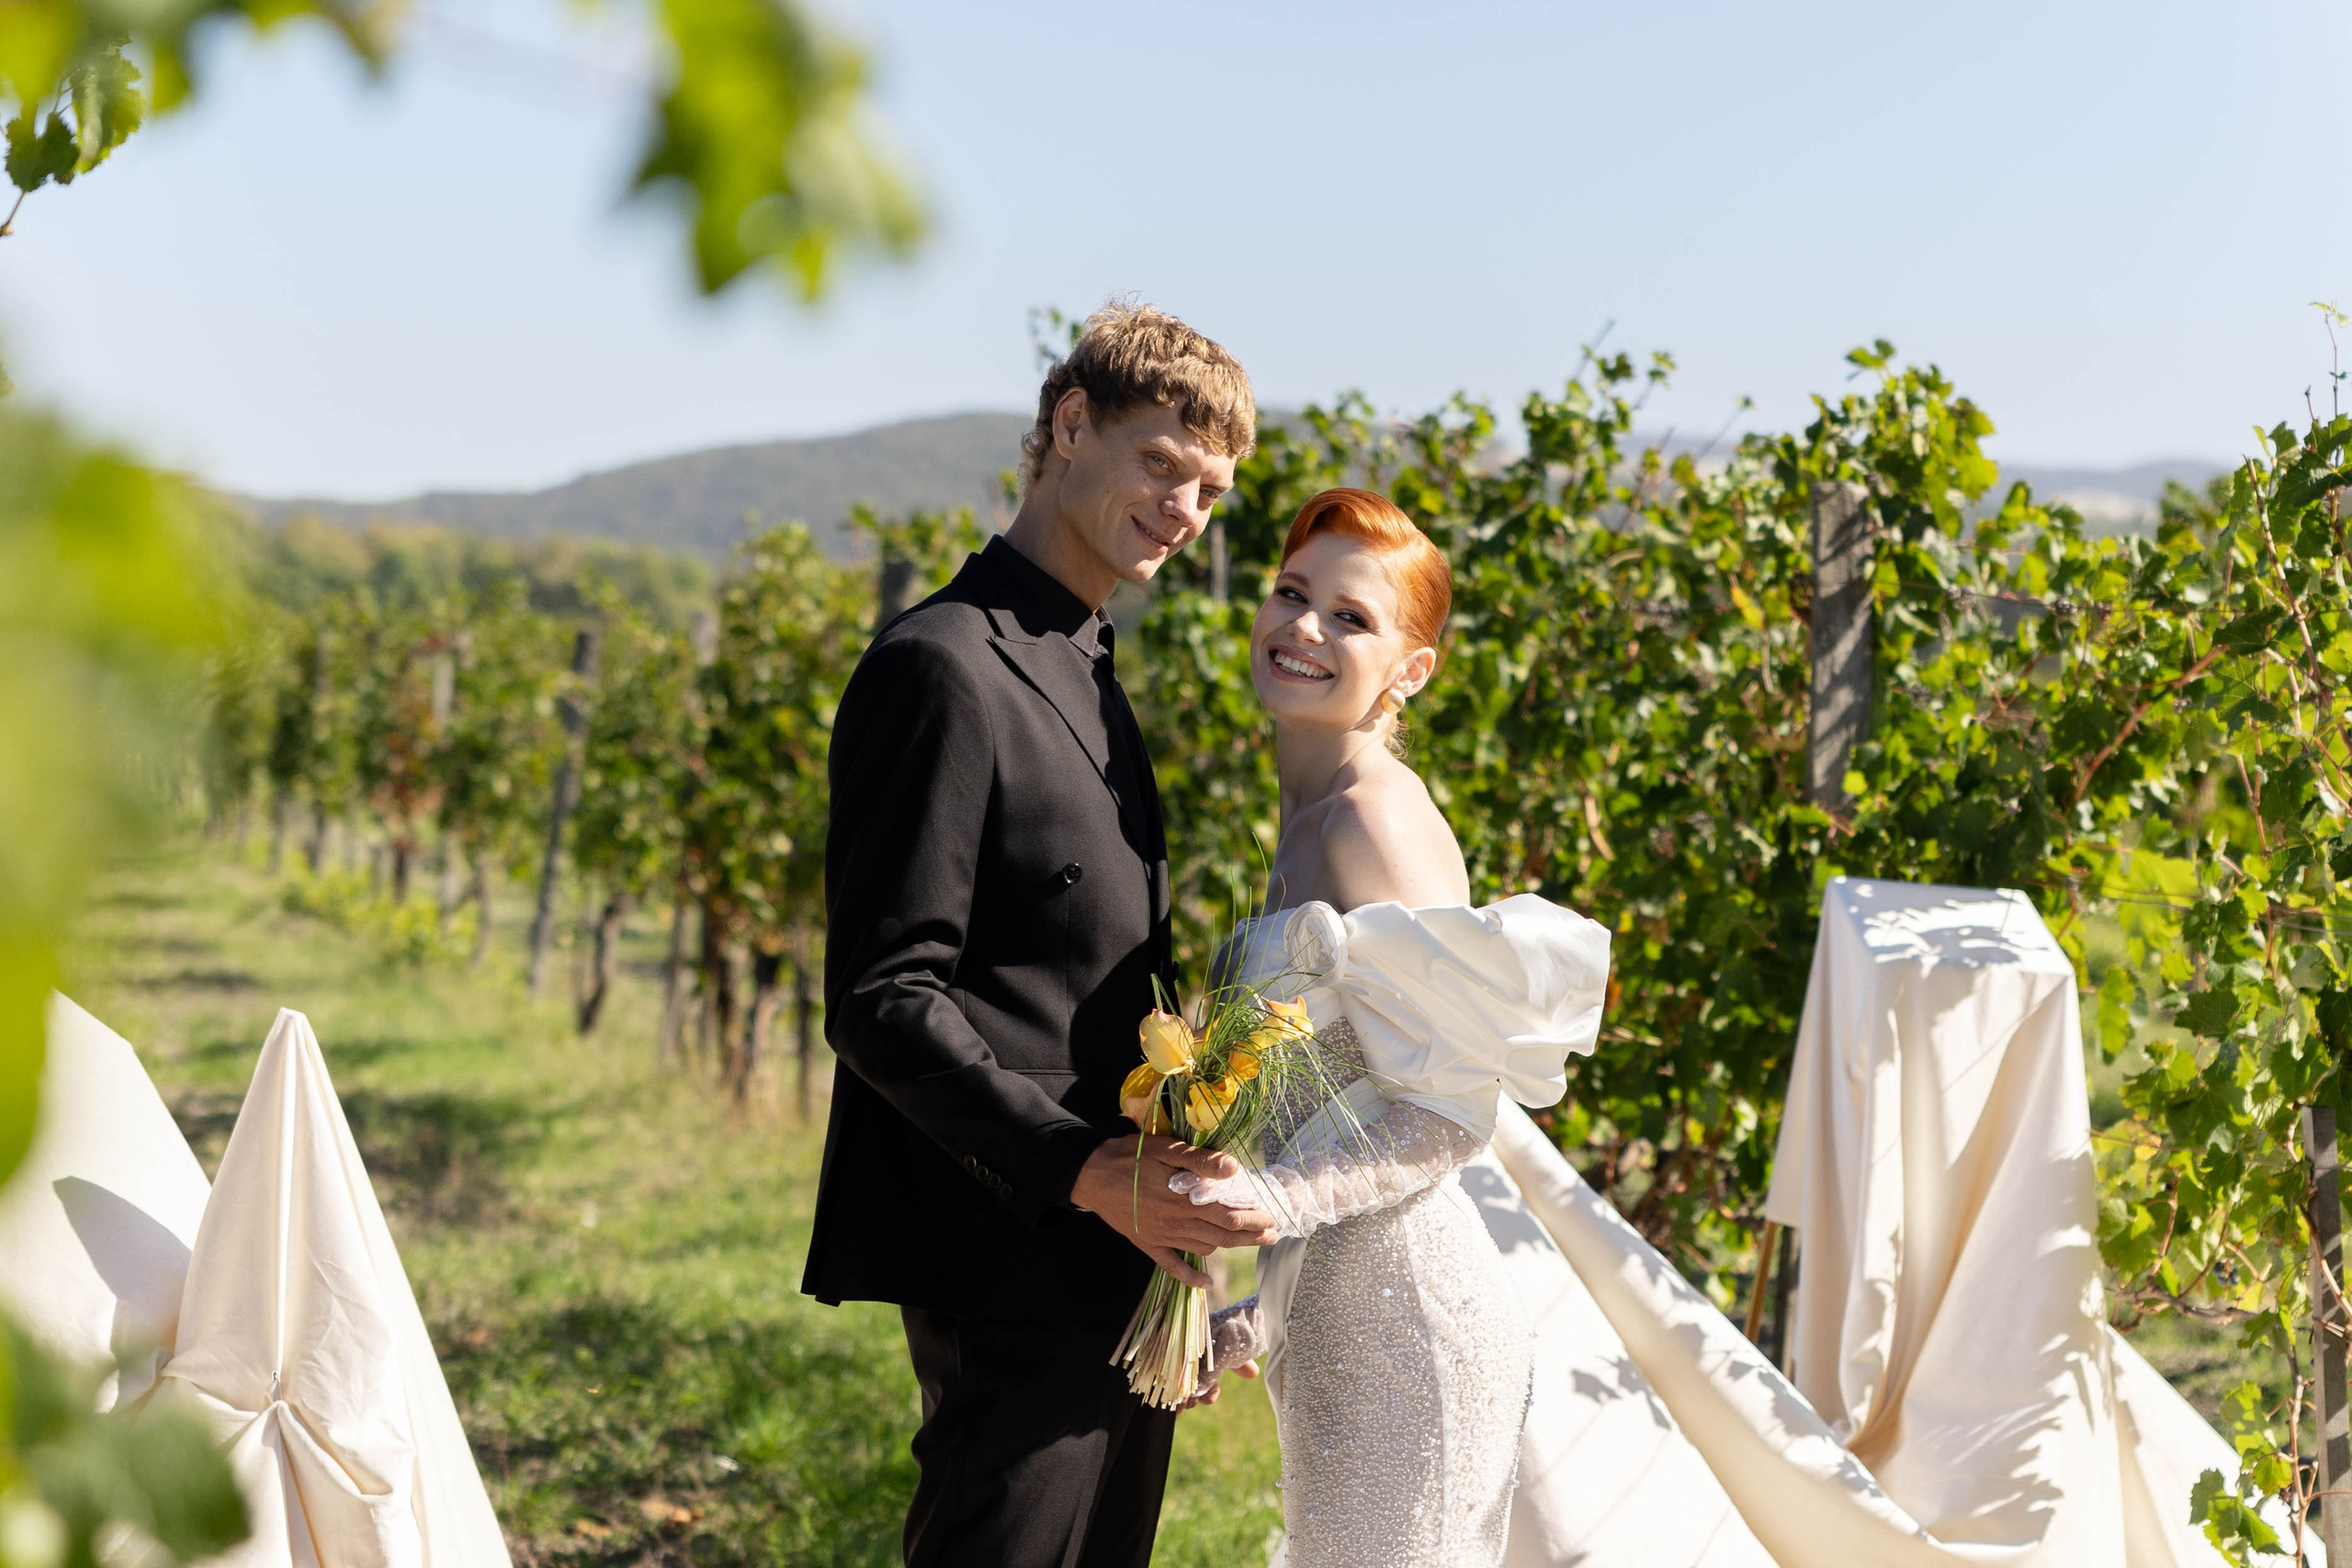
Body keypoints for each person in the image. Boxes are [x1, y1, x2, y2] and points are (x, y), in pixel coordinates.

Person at [804, 301, 1281, 1568]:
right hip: (1007, 1249)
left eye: (1211, 492)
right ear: (1070, 426)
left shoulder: (1089, 665)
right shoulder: (944, 666)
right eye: (1162, 465)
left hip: (1116, 1258)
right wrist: (1085, 1167)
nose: (1185, 509)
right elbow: (882, 996)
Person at [1175, 488, 1613, 1568]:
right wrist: (1254, 1318)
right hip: (1331, 1337)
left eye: (1350, 616)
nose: (1303, 627)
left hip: (1411, 1333)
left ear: (1412, 668)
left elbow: (1446, 1116)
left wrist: (1271, 1201)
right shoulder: (1306, 817)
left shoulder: (1374, 821)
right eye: (1289, 593)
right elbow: (1339, 1108)